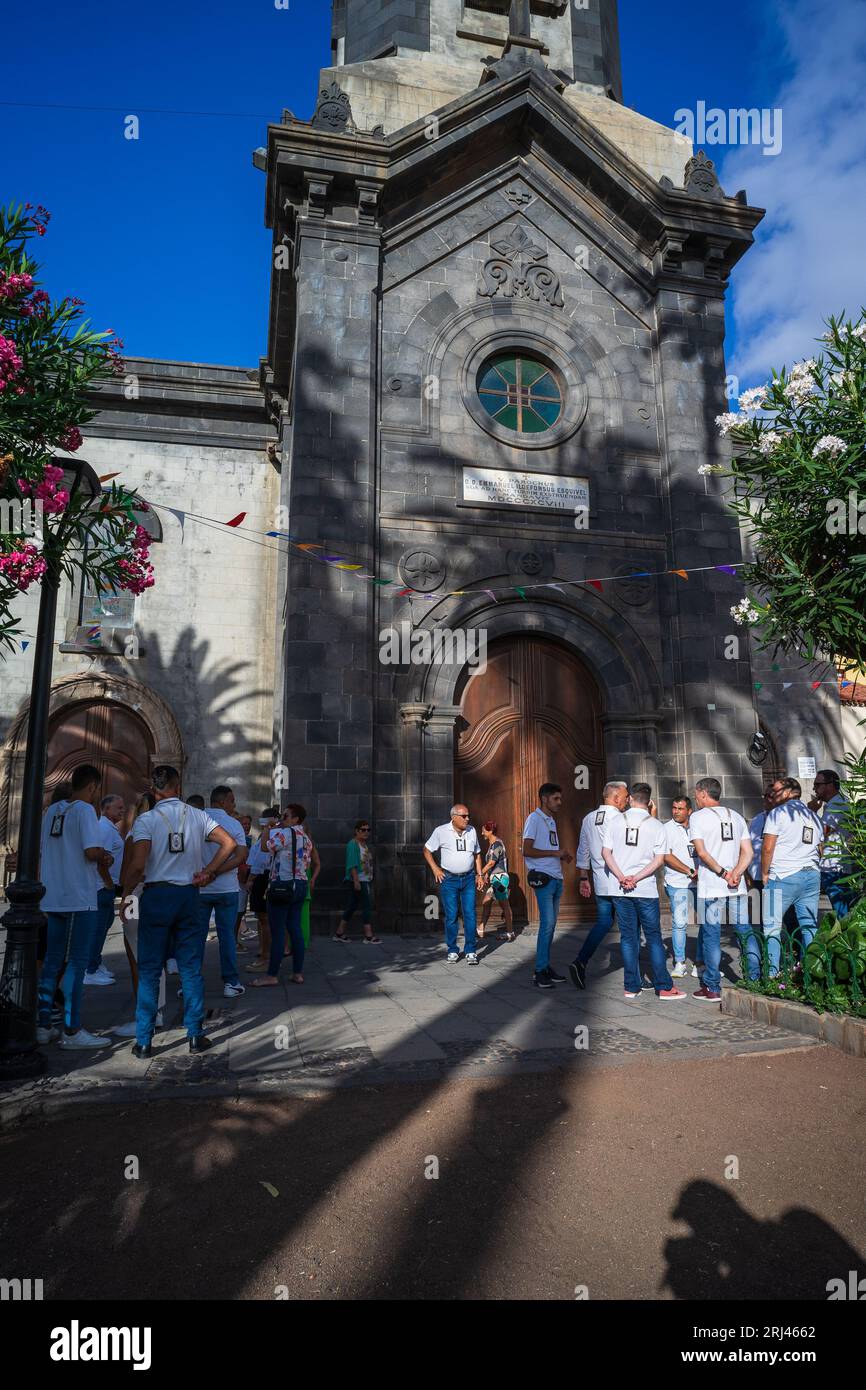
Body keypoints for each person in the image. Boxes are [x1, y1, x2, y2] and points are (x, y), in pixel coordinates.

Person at [119, 765, 237, 1057]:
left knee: (149, 968)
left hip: (156, 894)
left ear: (153, 789)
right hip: (188, 895)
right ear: (177, 785)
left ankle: (144, 1040)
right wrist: (208, 872)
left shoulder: (147, 820)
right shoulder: (197, 815)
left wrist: (124, 896)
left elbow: (136, 865)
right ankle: (195, 1034)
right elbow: (229, 843)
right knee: (189, 966)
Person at [36, 764, 113, 1048]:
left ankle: (44, 1023)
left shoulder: (52, 811)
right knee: (77, 963)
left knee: (53, 961)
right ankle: (72, 1029)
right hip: (78, 897)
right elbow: (91, 851)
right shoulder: (84, 810)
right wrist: (104, 855)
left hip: (53, 894)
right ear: (93, 787)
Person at [601, 783, 684, 1000]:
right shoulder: (657, 826)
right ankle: (664, 986)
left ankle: (631, 986)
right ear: (648, 801)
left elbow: (606, 853)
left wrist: (621, 877)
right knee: (654, 938)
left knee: (628, 938)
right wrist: (636, 877)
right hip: (645, 889)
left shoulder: (615, 821)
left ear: (630, 799)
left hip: (620, 889)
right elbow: (659, 860)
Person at [689, 777, 753, 1002]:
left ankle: (712, 987)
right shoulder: (736, 816)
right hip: (737, 885)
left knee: (712, 935)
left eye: (697, 794)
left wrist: (725, 874)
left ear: (704, 793)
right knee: (744, 930)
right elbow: (748, 852)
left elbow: (703, 853)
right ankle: (754, 980)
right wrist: (737, 872)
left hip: (713, 885)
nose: (695, 798)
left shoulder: (697, 817)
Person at [761, 777, 824, 974]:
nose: (773, 793)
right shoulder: (814, 816)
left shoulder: (777, 813)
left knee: (771, 927)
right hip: (811, 874)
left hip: (783, 875)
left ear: (789, 792)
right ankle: (812, 971)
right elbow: (821, 848)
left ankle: (772, 974)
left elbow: (767, 848)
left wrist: (764, 873)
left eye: (777, 790)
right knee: (809, 926)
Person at [250, 804, 318, 987]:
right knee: (295, 929)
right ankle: (298, 973)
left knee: (278, 931)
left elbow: (265, 847)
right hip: (300, 885)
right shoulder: (306, 837)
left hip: (282, 885)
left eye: (286, 815)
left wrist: (267, 828)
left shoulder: (286, 834)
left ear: (296, 819)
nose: (282, 817)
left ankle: (272, 975)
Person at [570, 780, 628, 988]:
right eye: (625, 796)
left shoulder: (589, 818)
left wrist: (584, 877)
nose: (627, 800)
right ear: (615, 798)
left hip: (601, 881)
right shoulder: (621, 818)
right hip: (622, 881)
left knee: (604, 922)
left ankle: (581, 961)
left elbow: (583, 849)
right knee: (629, 927)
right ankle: (634, 977)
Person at [112, 790, 160, 1039]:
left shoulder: (136, 834)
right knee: (155, 953)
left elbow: (126, 873)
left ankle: (146, 1013)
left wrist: (125, 898)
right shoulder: (163, 829)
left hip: (136, 893)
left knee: (135, 953)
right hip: (161, 892)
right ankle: (157, 1010)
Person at [196, 785, 248, 998]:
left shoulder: (196, 820)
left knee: (195, 937)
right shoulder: (233, 823)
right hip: (226, 888)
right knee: (227, 935)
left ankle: (190, 982)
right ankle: (231, 982)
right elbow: (241, 855)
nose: (234, 805)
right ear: (224, 800)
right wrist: (216, 873)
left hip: (199, 888)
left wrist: (206, 874)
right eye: (232, 801)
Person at [522, 783, 570, 989]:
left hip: (555, 876)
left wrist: (561, 854)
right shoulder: (534, 819)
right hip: (544, 878)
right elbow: (526, 850)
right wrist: (554, 853)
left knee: (551, 926)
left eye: (560, 798)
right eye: (556, 798)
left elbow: (548, 847)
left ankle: (545, 966)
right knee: (547, 924)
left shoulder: (550, 820)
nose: (560, 802)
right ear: (544, 798)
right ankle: (540, 971)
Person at [424, 805, 484, 963]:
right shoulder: (440, 831)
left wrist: (480, 874)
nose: (467, 819)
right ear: (454, 817)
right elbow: (427, 850)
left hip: (469, 878)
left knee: (470, 913)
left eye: (468, 816)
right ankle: (452, 949)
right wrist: (436, 869)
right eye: (464, 816)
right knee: (451, 915)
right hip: (449, 879)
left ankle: (471, 950)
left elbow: (477, 854)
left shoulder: (472, 831)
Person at [83, 793, 125, 986]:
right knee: (98, 929)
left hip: (107, 886)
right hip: (102, 887)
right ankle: (89, 969)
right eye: (118, 807)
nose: (122, 810)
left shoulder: (110, 829)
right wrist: (108, 883)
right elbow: (102, 859)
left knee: (105, 924)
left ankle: (96, 962)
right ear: (106, 809)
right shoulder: (105, 830)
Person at [809, 769, 855, 920]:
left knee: (842, 911)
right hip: (839, 865)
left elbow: (822, 832)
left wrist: (812, 813)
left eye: (817, 784)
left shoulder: (836, 805)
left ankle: (847, 940)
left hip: (834, 866)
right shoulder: (838, 803)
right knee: (845, 909)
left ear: (829, 785)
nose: (814, 788)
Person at [662, 796, 699, 977]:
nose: (676, 811)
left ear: (689, 811)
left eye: (680, 808)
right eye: (674, 808)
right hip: (678, 883)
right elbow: (666, 856)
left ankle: (700, 963)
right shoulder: (666, 829)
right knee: (680, 923)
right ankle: (680, 962)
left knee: (708, 923)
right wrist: (689, 870)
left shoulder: (697, 825)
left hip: (700, 882)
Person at [335, 820, 380, 942]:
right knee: (366, 906)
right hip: (359, 880)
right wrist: (356, 881)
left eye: (368, 830)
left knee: (352, 906)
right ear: (356, 831)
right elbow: (352, 863)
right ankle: (368, 935)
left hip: (364, 879)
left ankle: (339, 933)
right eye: (363, 830)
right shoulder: (353, 844)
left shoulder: (363, 844)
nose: (366, 832)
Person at [244, 808, 276, 973]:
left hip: (264, 878)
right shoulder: (266, 835)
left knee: (265, 920)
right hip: (260, 878)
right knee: (261, 919)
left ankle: (266, 956)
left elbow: (262, 858)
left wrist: (251, 879)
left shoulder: (272, 836)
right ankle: (263, 951)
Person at [479, 821, 514, 942]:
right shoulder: (492, 845)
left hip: (500, 880)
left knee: (504, 904)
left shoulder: (497, 844)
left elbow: (491, 863)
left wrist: (480, 873)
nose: (482, 832)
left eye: (483, 830)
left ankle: (510, 933)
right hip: (495, 879)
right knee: (486, 902)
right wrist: (487, 875)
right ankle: (481, 929)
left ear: (490, 831)